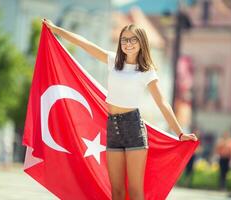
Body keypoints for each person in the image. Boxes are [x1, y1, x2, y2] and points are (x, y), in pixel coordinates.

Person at [42, 19, 198, 200]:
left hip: (133, 129)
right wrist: (55, 30)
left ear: (141, 43)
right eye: (124, 39)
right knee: (116, 191)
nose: (128, 43)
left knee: (134, 190)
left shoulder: (145, 71)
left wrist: (180, 133)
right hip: (113, 128)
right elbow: (84, 44)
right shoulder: (113, 61)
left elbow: (162, 102)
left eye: (133, 40)